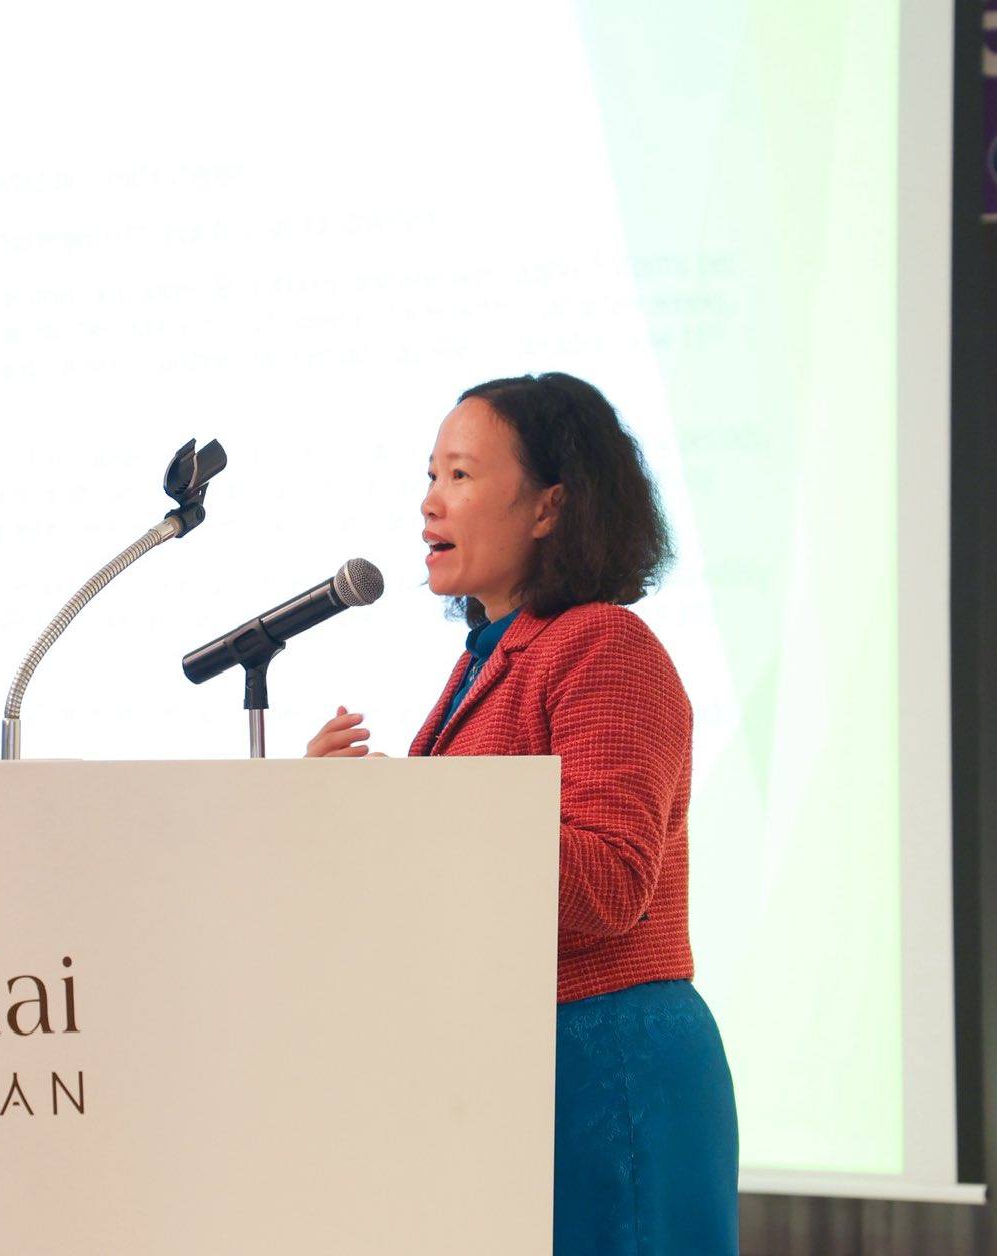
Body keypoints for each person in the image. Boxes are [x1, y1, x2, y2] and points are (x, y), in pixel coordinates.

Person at [306, 372, 739, 1254]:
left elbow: (609, 882)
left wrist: (408, 810)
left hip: (605, 1065)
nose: (430, 502)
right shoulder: (491, 657)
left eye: (461, 475)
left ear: (549, 506)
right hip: (517, 1068)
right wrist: (331, 816)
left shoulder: (604, 644)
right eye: (430, 475)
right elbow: (445, 872)